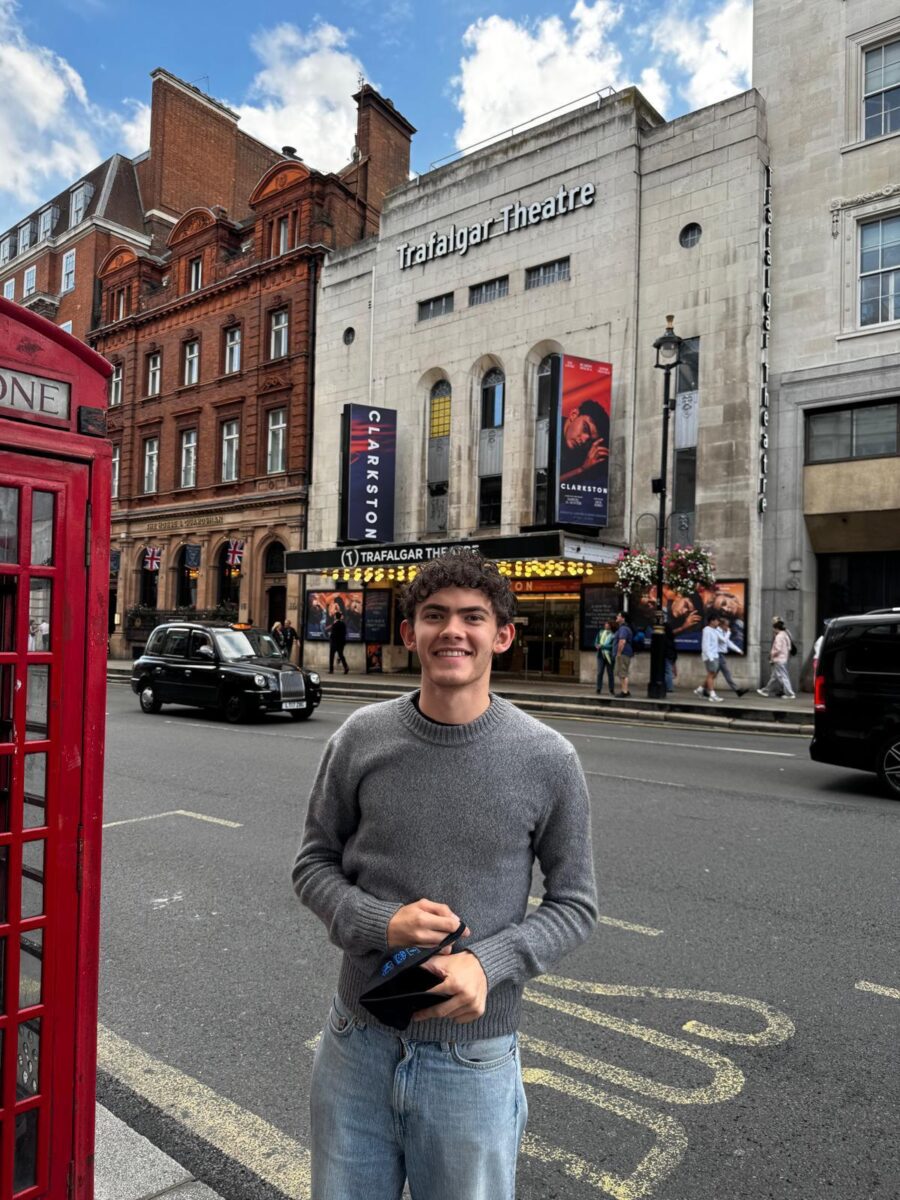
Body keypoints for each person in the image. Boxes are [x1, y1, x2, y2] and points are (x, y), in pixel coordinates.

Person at [293, 551, 597, 1199]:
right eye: (434, 616)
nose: (452, 631)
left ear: (503, 635)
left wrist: (488, 963)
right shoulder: (361, 738)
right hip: (358, 1047)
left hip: (474, 1061)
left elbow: (575, 904)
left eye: (472, 618)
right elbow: (313, 864)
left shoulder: (549, 759)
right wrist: (382, 922)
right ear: (410, 633)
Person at [558, 399, 609, 483]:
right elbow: (544, 484)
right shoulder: (549, 430)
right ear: (573, 415)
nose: (584, 440)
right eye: (585, 428)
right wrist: (581, 470)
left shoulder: (585, 456)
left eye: (591, 440)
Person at [758, 616, 796, 699]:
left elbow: (777, 649)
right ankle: (765, 690)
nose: (772, 630)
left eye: (773, 628)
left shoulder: (779, 637)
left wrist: (772, 654)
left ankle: (790, 693)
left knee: (783, 677)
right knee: (774, 677)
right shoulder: (786, 634)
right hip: (783, 658)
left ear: (776, 628)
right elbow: (789, 647)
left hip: (779, 659)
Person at [714, 617, 746, 697]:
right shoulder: (717, 631)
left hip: (720, 655)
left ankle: (702, 689)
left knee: (712, 675)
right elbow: (724, 640)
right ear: (721, 625)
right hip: (718, 655)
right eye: (726, 625)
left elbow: (729, 643)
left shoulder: (723, 632)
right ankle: (737, 690)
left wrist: (738, 650)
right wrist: (728, 633)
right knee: (726, 673)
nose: (728, 627)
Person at [695, 615, 724, 702]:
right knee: (711, 674)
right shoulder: (707, 630)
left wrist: (719, 630)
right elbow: (705, 645)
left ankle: (700, 689)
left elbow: (723, 640)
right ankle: (712, 695)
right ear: (711, 621)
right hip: (710, 656)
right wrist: (710, 657)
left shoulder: (715, 630)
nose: (718, 623)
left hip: (715, 655)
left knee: (712, 675)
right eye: (716, 621)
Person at [614, 611, 633, 696]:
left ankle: (624, 692)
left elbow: (622, 641)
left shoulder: (623, 628)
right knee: (622, 672)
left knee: (622, 673)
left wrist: (618, 653)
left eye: (618, 616)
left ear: (623, 618)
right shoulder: (623, 628)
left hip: (623, 653)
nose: (617, 617)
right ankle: (626, 690)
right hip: (625, 653)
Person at [594, 619, 615, 694]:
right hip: (600, 655)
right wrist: (596, 645)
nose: (606, 625)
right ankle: (598, 688)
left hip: (609, 656)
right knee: (600, 672)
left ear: (610, 626)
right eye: (605, 624)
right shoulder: (600, 633)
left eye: (608, 624)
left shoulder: (613, 635)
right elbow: (596, 642)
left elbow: (612, 646)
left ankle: (611, 689)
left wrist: (602, 646)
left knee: (610, 673)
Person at [326, 607, 349, 674]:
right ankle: (346, 667)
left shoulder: (335, 624)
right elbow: (344, 633)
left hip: (334, 642)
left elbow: (333, 634)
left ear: (336, 617)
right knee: (341, 655)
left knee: (331, 656)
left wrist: (330, 637)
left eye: (335, 616)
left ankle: (331, 669)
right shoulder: (343, 624)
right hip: (341, 642)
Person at [663, 618, 678, 694]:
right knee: (668, 671)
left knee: (667, 671)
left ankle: (669, 687)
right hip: (671, 656)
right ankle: (668, 686)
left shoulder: (665, 638)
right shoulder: (671, 637)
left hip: (667, 655)